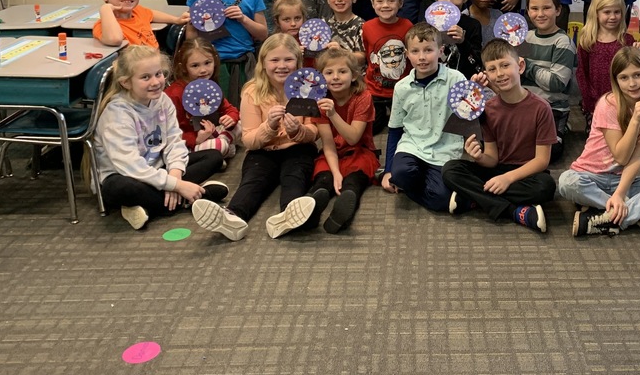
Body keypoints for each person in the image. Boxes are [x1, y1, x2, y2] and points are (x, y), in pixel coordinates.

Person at [192, 34, 326, 241]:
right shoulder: (252, 92)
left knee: (294, 178)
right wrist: (269, 126)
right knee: (253, 182)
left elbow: (314, 133)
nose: (281, 66)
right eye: (274, 60)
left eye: (288, 60)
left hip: (299, 148)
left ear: (298, 62)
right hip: (263, 150)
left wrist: (298, 131)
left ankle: (290, 214)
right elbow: (249, 140)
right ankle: (232, 216)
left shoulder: (308, 88)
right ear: (263, 63)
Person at [93, 46, 228, 230]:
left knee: (213, 156)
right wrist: (176, 185)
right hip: (127, 175)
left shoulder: (162, 100)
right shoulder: (117, 114)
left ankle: (148, 207)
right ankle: (194, 198)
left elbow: (174, 141)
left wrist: (175, 178)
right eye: (145, 77)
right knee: (118, 188)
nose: (156, 82)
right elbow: (130, 166)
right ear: (126, 83)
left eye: (158, 74)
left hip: (158, 168)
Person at [558, 47, 640, 237]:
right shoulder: (608, 104)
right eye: (624, 78)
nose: (632, 83)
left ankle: (609, 217)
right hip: (590, 176)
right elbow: (621, 156)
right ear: (616, 81)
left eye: (637, 75)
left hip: (624, 180)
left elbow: (635, 159)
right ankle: (634, 214)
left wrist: (620, 192)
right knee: (567, 182)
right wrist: (635, 120)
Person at [442, 38, 557, 232]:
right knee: (450, 169)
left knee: (546, 186)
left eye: (505, 65)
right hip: (497, 170)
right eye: (492, 69)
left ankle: (475, 199)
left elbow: (542, 161)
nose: (500, 74)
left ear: (520, 66)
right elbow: (492, 159)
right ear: (486, 74)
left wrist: (508, 179)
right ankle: (514, 211)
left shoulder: (541, 108)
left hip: (527, 173)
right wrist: (478, 157)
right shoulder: (488, 109)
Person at [381, 23, 466, 212]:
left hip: (445, 149)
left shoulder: (457, 79)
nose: (422, 57)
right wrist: (388, 170)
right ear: (407, 53)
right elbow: (395, 129)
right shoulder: (402, 87)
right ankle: (415, 180)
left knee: (441, 201)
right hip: (412, 146)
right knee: (400, 175)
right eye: (415, 51)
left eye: (428, 50)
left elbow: (470, 116)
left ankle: (422, 185)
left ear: (440, 51)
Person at [186, 0, 268, 103]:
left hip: (244, 62)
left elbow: (263, 34)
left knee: (244, 110)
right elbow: (191, 35)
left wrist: (243, 18)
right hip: (211, 65)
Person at [310, 48, 378, 233]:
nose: (336, 77)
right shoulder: (320, 100)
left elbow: (353, 137)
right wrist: (336, 172)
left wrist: (332, 114)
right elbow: (328, 144)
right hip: (332, 154)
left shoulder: (363, 97)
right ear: (321, 78)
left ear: (354, 75)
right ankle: (312, 210)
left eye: (342, 71)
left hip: (360, 151)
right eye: (329, 73)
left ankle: (340, 215)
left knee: (353, 182)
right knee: (324, 179)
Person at [521, 0, 576, 163]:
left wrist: (526, 66)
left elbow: (555, 83)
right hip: (524, 107)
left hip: (552, 108)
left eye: (546, 8)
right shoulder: (524, 38)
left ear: (558, 10)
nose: (540, 14)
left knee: (550, 153)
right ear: (528, 11)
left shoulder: (563, 42)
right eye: (534, 9)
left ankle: (561, 128)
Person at [165, 37, 241, 160]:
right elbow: (171, 132)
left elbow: (229, 109)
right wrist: (196, 138)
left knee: (240, 125)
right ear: (184, 67)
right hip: (189, 143)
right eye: (195, 66)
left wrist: (231, 118)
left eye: (207, 63)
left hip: (212, 132)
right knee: (220, 145)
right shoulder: (174, 94)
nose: (203, 70)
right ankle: (222, 150)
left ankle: (221, 149)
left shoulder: (210, 85)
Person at [576, 0, 635, 124]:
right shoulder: (587, 41)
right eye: (607, 12)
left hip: (624, 103)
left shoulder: (628, 40)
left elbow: (639, 71)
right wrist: (589, 102)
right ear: (596, 13)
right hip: (596, 104)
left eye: (617, 12)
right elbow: (582, 73)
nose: (613, 17)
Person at [363, 0, 413, 136]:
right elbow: (367, 53)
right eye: (380, 1)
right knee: (373, 129)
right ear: (372, 4)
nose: (385, 5)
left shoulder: (408, 26)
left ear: (401, 3)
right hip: (374, 89)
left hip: (401, 89)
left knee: (402, 128)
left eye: (391, 1)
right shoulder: (367, 27)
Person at [433, 0, 483, 78]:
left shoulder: (472, 26)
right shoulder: (428, 24)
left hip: (462, 85)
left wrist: (463, 42)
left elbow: (477, 65)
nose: (449, 2)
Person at [323, 0, 366, 67]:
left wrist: (342, 53)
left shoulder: (361, 25)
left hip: (354, 76)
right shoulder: (322, 24)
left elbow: (362, 58)